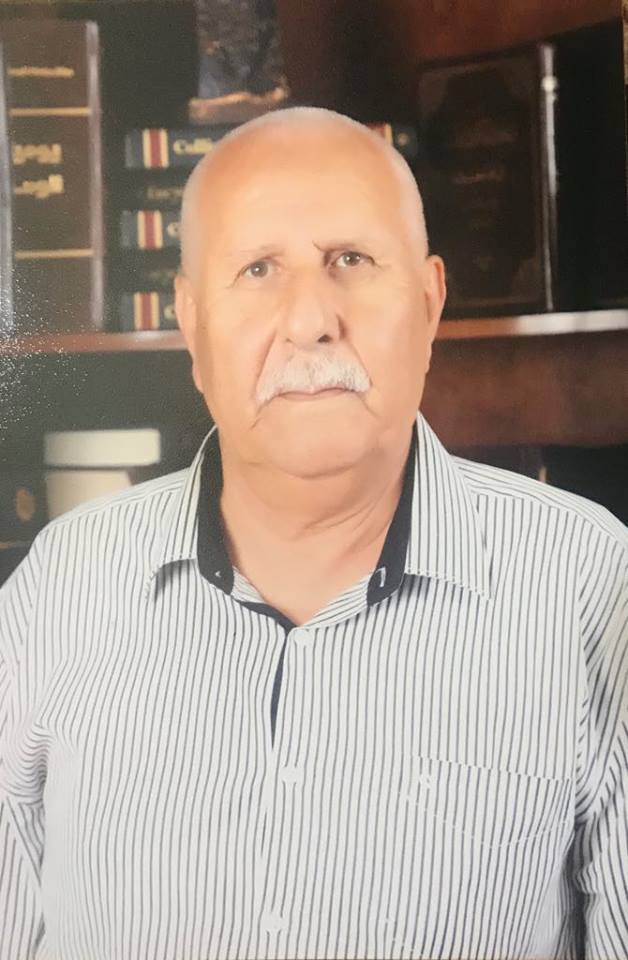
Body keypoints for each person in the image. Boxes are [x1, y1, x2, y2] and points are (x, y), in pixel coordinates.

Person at [0, 106, 626, 960]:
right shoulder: (61, 588)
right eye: (258, 269)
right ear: (192, 322)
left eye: (351, 261)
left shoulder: (593, 587)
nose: (310, 321)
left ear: (430, 302)